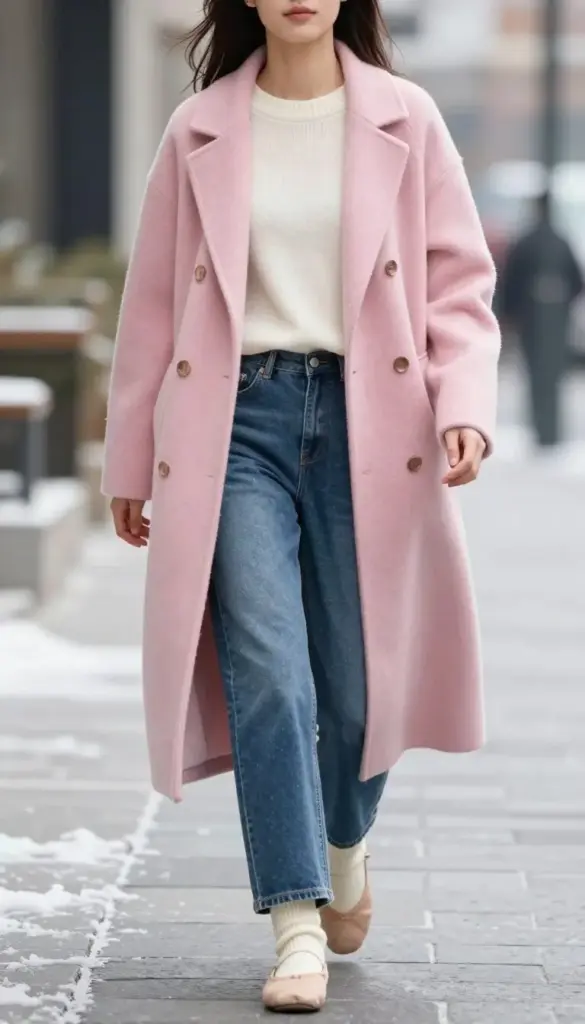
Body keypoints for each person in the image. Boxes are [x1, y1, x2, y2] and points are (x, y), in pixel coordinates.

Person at [102, 0, 500, 1012]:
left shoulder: (405, 117)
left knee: (363, 688)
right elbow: (152, 306)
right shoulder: (200, 127)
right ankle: (294, 923)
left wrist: (464, 403)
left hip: (374, 420)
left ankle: (343, 845)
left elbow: (458, 283)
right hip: (235, 425)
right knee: (271, 672)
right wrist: (129, 459)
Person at [500, 190, 584, 447]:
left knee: (536, 372)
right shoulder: (561, 241)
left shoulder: (525, 241)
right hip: (556, 317)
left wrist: (510, 313)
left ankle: (541, 429)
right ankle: (551, 432)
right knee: (553, 374)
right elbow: (576, 281)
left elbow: (511, 282)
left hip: (532, 316)